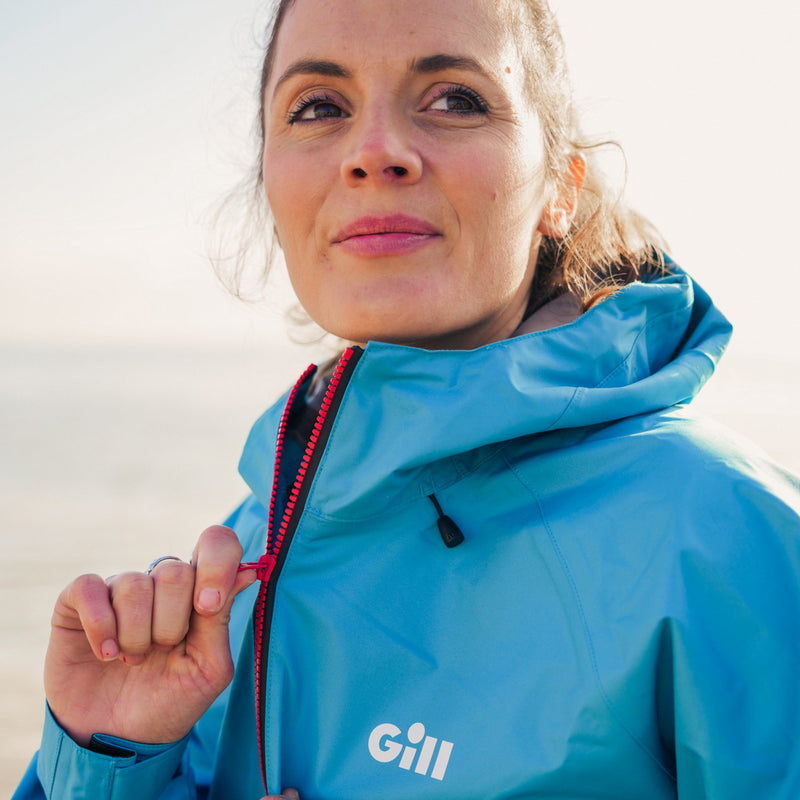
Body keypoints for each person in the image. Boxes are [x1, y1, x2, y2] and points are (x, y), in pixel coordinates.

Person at [13, 0, 800, 797]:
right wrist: (110, 757)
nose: (374, 152)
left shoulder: (723, 531)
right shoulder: (256, 545)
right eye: (318, 107)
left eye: (455, 99)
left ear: (560, 189)